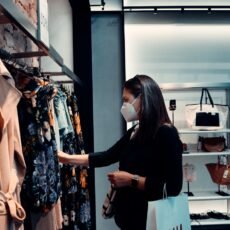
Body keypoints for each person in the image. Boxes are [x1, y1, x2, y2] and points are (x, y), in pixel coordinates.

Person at [58, 75, 183, 230]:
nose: (123, 105)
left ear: (142, 99)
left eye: (126, 99)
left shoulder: (166, 133)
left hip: (152, 222)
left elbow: (173, 187)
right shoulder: (137, 131)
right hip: (130, 220)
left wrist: (132, 180)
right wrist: (66, 158)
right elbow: (107, 156)